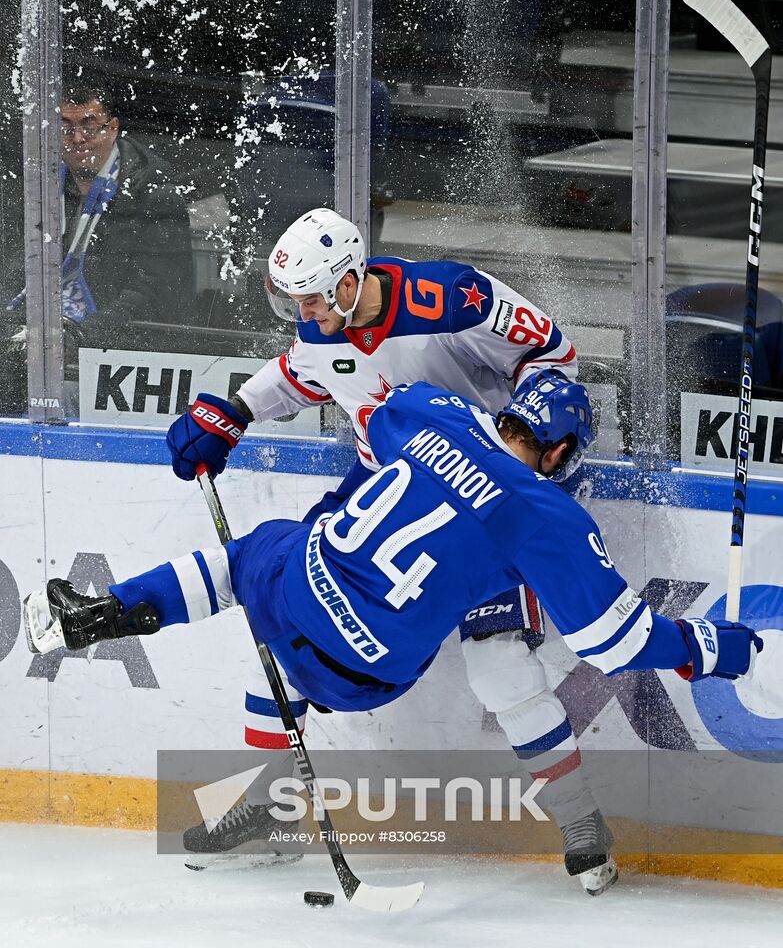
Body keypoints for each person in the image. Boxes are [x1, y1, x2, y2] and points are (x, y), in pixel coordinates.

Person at [24, 374, 763, 886]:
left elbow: (371, 408)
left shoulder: (427, 408)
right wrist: (708, 648)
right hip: (368, 671)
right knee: (499, 673)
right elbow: (617, 643)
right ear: (563, 452)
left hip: (304, 593)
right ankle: (577, 826)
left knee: (252, 564)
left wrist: (234, 413)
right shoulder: (548, 516)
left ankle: (108, 610)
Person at [164, 207, 619, 892]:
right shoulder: (319, 322)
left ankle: (581, 823)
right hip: (384, 488)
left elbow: (553, 359)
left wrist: (524, 444)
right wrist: (236, 411)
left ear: (352, 280)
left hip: (483, 498)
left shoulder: (454, 298)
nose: (305, 311)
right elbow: (302, 371)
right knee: (284, 620)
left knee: (498, 667)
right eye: (294, 299)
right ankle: (263, 807)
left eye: (316, 296)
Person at [5, 82, 195, 334]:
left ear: (113, 128)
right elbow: (10, 266)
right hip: (31, 330)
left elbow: (156, 295)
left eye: (89, 127)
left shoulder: (155, 195)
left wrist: (83, 335)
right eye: (65, 128)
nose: (77, 138)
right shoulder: (33, 187)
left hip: (108, 343)